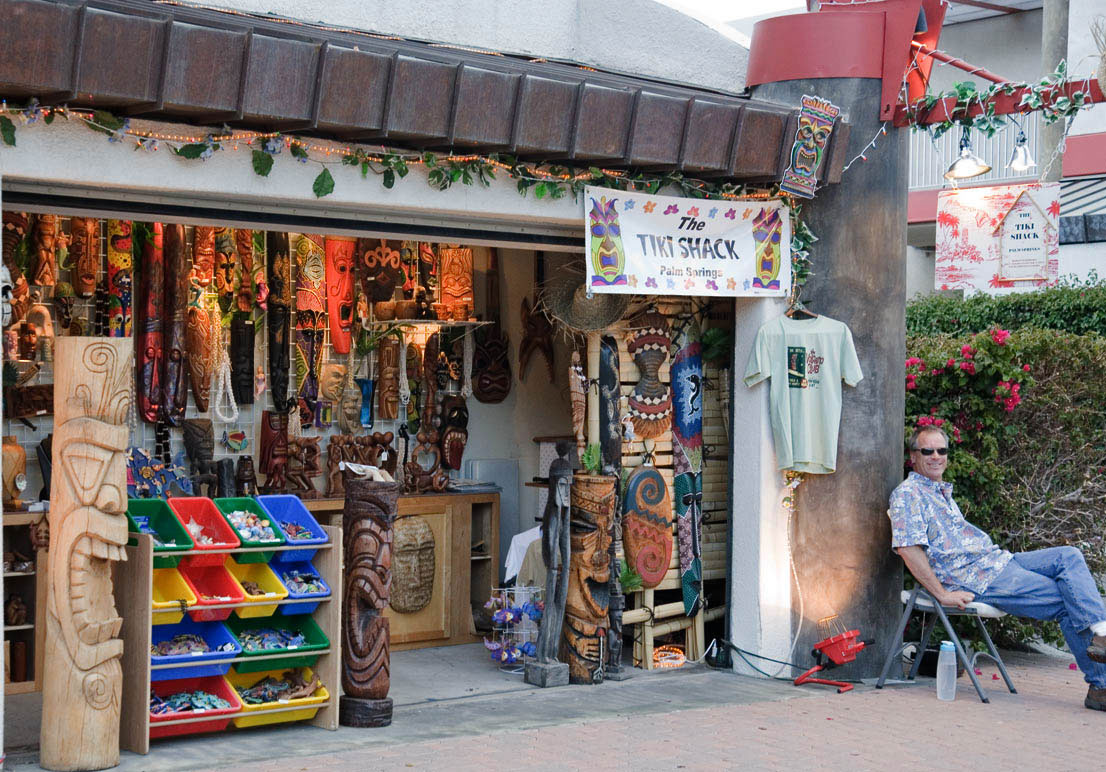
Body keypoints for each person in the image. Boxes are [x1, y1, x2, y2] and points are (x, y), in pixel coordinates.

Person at [889, 425, 1106, 711]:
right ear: (913, 456)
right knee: (1069, 600)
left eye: (941, 450)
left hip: (997, 560)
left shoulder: (939, 491)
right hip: (978, 577)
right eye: (927, 451)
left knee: (1069, 556)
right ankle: (1101, 687)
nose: (936, 456)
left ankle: (1101, 634)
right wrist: (942, 594)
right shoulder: (908, 495)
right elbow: (907, 548)